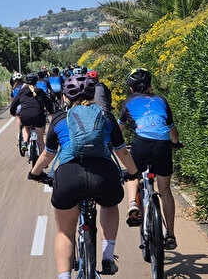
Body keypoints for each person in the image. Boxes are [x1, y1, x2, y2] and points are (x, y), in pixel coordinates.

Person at [29, 75, 138, 278]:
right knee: (109, 205)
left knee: (64, 232)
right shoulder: (106, 116)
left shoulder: (60, 118)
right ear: (93, 94)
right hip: (103, 175)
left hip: (69, 176)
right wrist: (133, 172)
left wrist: (35, 173)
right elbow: (122, 152)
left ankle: (64, 276)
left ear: (65, 97)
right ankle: (107, 257)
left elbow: (48, 154)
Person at [118, 68, 181, 250]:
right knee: (165, 191)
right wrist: (175, 143)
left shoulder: (129, 102)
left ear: (131, 88)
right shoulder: (161, 100)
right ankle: (170, 235)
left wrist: (113, 145)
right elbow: (172, 129)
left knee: (132, 174)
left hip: (141, 143)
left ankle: (132, 205)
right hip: (162, 145)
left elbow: (118, 130)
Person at [10, 73, 54, 155]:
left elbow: (14, 103)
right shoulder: (40, 91)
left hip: (25, 116)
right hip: (38, 116)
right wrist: (51, 112)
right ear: (36, 81)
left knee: (26, 128)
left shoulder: (21, 91)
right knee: (40, 139)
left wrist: (13, 112)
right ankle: (43, 159)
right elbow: (48, 103)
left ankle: (25, 142)